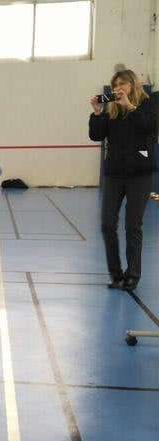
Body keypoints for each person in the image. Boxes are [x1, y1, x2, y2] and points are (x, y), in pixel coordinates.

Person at [89, 69, 158, 290]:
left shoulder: (146, 105)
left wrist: (130, 106)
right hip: (114, 174)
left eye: (123, 84)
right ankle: (116, 274)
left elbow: (149, 127)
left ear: (133, 86)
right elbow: (96, 135)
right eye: (116, 84)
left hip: (140, 175)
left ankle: (133, 275)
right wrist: (98, 112)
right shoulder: (112, 111)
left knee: (132, 225)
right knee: (107, 224)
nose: (119, 88)